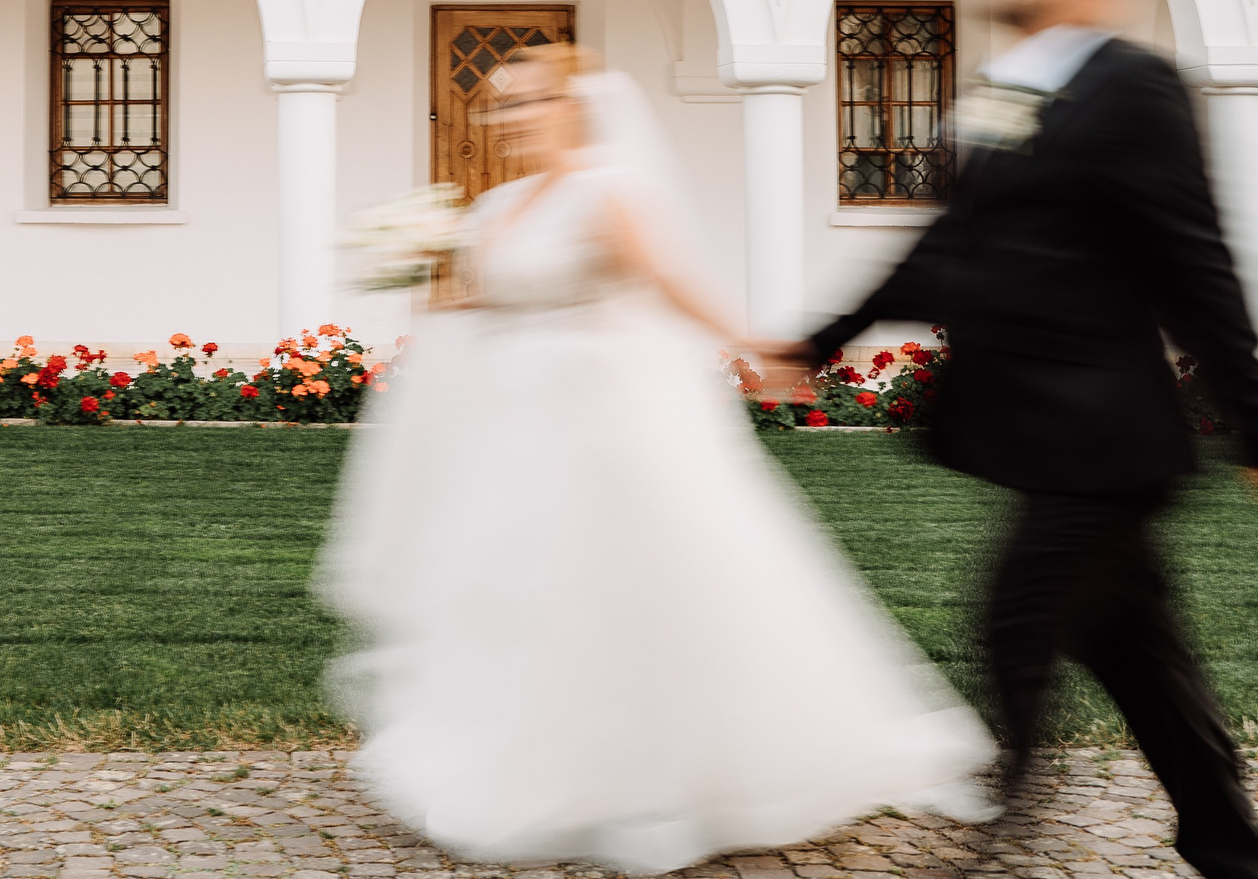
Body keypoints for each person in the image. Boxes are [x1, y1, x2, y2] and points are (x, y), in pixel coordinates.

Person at [316, 43, 994, 876]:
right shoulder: (497, 205)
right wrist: (413, 260)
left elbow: (667, 283)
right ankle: (540, 762)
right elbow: (483, 299)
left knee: (631, 585)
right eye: (499, 104)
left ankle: (671, 774)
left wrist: (759, 346)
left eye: (526, 100)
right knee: (517, 588)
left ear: (572, 104)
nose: (507, 118)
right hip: (516, 427)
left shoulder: (608, 190)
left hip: (602, 423)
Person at [785, 0, 1258, 879]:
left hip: (1107, 437)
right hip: (1039, 429)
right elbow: (946, 247)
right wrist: (820, 339)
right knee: (1136, 652)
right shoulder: (1003, 89)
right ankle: (1230, 848)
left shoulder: (1135, 87)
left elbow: (1197, 267)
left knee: (1018, 618)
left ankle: (1000, 827)